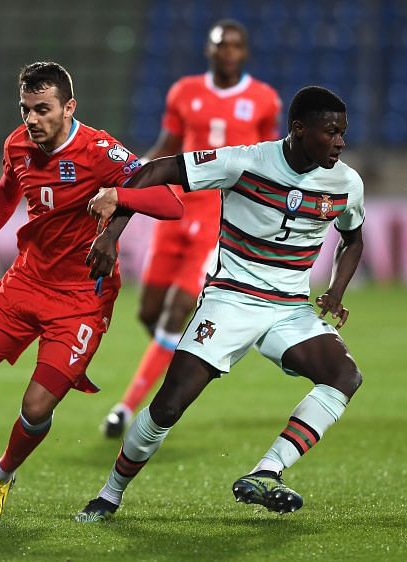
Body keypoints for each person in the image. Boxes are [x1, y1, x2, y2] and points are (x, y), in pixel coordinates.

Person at [0, 61, 183, 518]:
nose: (32, 119)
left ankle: (1, 476)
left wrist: (119, 197)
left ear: (69, 107)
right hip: (25, 281)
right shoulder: (17, 144)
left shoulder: (101, 151)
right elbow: (8, 190)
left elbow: (171, 201)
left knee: (35, 405)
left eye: (43, 109)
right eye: (26, 108)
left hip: (82, 299)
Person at [76, 86, 364, 521]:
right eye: (331, 132)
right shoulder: (245, 162)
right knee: (168, 405)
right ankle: (109, 494)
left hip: (289, 308)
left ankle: (267, 471)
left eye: (343, 133)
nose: (340, 142)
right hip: (231, 300)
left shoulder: (345, 183)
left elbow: (354, 238)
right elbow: (156, 171)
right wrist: (111, 234)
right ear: (299, 129)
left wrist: (336, 289)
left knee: (344, 375)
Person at [102, 19, 282, 438]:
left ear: (245, 52)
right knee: (148, 311)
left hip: (218, 221)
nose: (228, 52)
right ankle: (184, 353)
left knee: (175, 311)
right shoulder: (185, 93)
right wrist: (131, 175)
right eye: (221, 45)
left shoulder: (263, 100)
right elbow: (167, 147)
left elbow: (270, 161)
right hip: (174, 212)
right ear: (209, 50)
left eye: (235, 45)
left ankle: (127, 410)